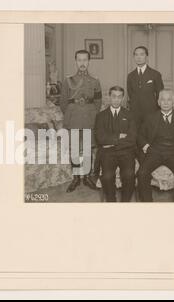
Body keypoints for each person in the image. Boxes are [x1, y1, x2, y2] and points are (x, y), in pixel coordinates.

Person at [137, 89, 174, 202]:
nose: (166, 103)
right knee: (142, 173)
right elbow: (140, 135)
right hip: (155, 152)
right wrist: (146, 147)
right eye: (163, 99)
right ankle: (147, 205)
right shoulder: (150, 117)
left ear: (173, 102)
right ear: (158, 102)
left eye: (169, 100)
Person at [60, 49, 102, 193]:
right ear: (75, 61)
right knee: (75, 150)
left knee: (88, 149)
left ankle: (87, 177)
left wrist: (92, 114)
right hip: (74, 119)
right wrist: (72, 114)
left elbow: (98, 101)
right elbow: (63, 103)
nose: (82, 63)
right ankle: (76, 178)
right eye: (79, 60)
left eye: (85, 60)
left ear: (89, 62)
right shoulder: (68, 80)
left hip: (89, 118)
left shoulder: (95, 80)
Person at [94, 86, 136, 202]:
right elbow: (100, 139)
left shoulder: (130, 115)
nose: (116, 100)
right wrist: (119, 136)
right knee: (107, 176)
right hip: (107, 153)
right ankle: (111, 202)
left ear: (123, 98)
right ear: (109, 97)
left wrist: (111, 142)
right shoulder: (100, 116)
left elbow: (132, 139)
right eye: (114, 96)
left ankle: (125, 202)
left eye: (119, 97)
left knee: (129, 175)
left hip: (126, 152)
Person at [127, 46, 164, 130]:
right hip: (135, 113)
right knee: (136, 136)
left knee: (150, 136)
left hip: (151, 112)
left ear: (147, 57)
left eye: (141, 54)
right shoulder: (130, 76)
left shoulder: (155, 74)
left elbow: (160, 95)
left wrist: (157, 112)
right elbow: (130, 94)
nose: (138, 57)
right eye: (136, 55)